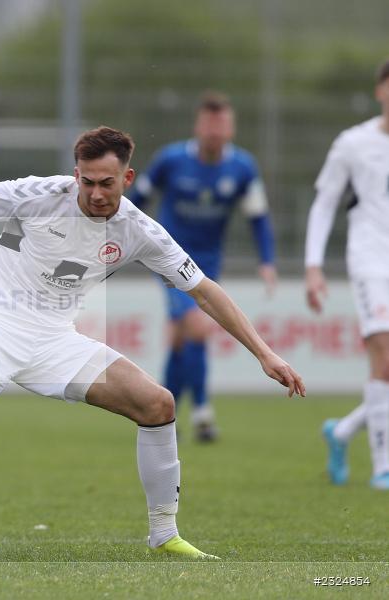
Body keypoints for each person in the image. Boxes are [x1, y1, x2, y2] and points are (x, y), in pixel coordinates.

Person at [0, 126, 305, 558]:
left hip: (56, 341)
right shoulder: (39, 194)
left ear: (127, 178)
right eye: (87, 182)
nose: (96, 193)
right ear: (75, 173)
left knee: (158, 404)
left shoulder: (139, 230)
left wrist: (265, 353)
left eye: (107, 183)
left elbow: (203, 290)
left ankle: (165, 534)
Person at [129, 92, 277, 442]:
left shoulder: (243, 167)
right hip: (168, 257)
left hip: (208, 262)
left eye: (222, 124)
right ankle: (203, 412)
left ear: (231, 128)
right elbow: (136, 202)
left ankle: (164, 413)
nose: (215, 131)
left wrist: (267, 261)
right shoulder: (171, 160)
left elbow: (258, 218)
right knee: (197, 326)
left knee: (181, 338)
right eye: (209, 124)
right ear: (198, 126)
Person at [308, 58, 389, 490]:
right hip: (371, 260)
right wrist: (313, 265)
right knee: (384, 355)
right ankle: (383, 468)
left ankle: (341, 433)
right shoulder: (353, 143)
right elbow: (324, 203)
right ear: (380, 90)